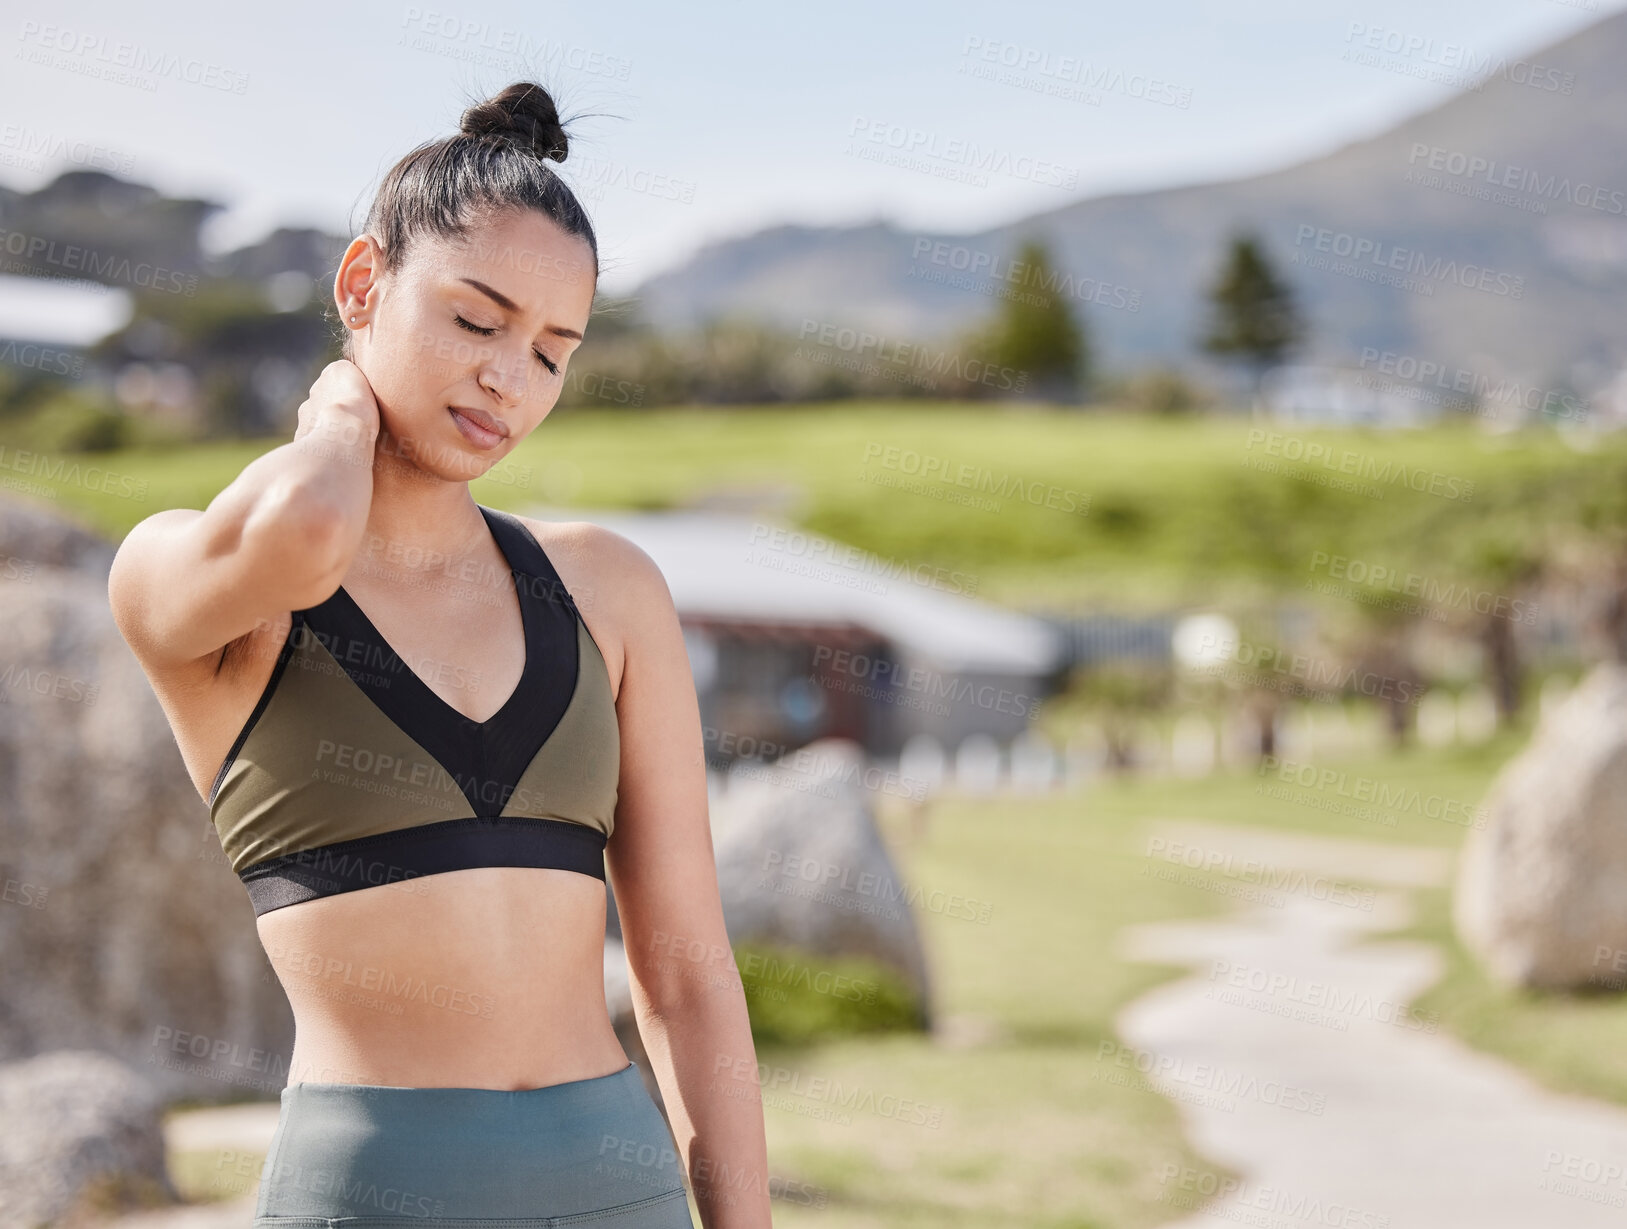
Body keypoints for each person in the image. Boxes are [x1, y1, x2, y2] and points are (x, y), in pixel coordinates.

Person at [108, 81, 770, 1228]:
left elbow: (689, 974)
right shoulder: (201, 583)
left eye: (553, 352)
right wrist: (335, 420)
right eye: (476, 321)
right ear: (362, 285)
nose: (510, 380)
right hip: (370, 1195)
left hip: (620, 1184)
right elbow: (309, 532)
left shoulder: (606, 591)